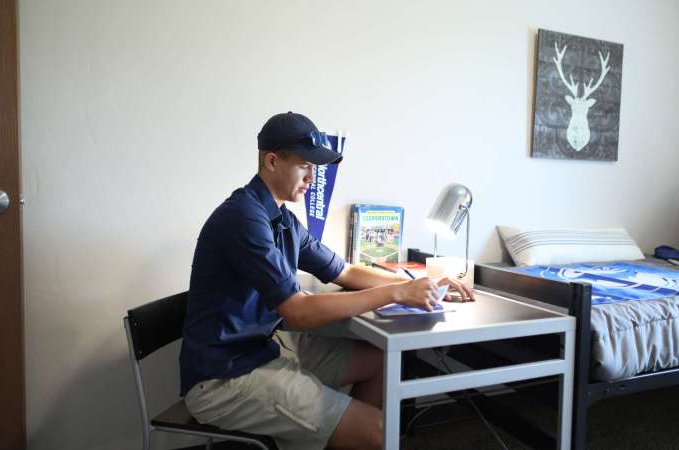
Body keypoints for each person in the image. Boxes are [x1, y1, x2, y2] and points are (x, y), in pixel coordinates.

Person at [180, 111, 474, 450]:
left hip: (262, 350)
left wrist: (420, 281)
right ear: (272, 161)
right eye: (305, 165)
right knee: (380, 432)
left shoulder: (283, 221)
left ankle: (346, 435)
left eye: (315, 168)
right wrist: (397, 291)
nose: (312, 177)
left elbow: (344, 271)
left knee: (379, 360)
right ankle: (360, 434)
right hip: (223, 377)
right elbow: (298, 312)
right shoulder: (244, 218)